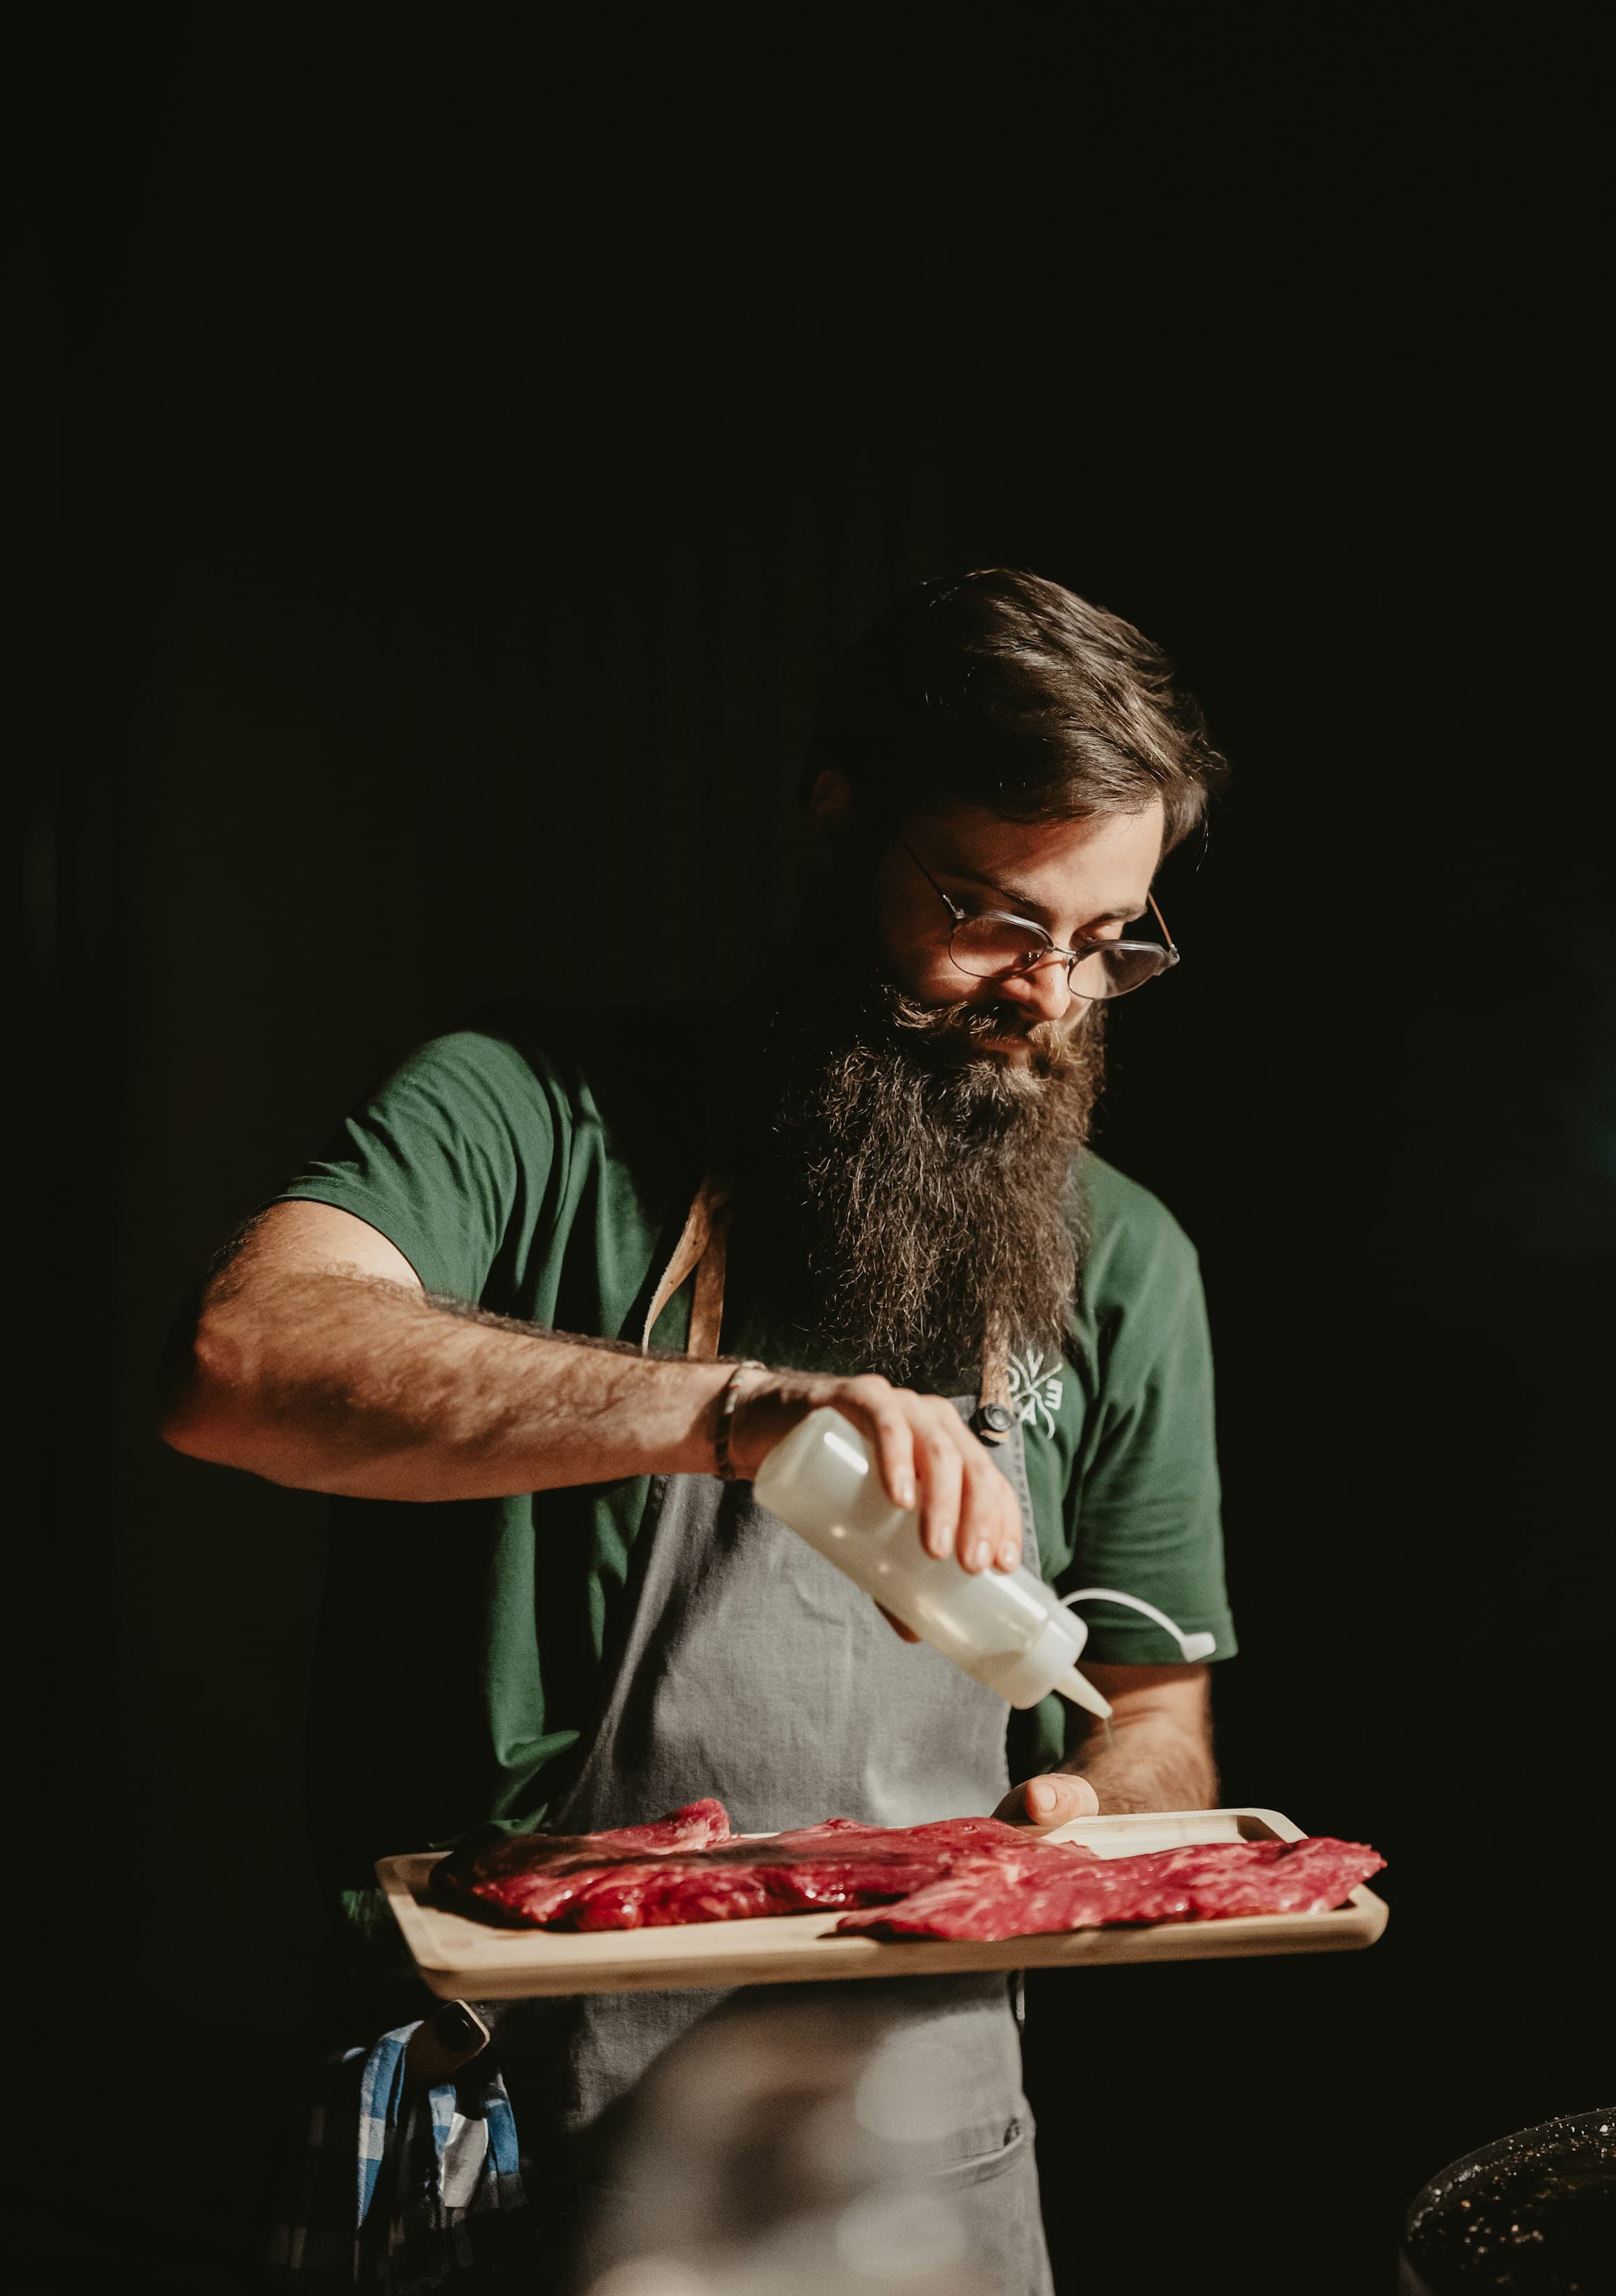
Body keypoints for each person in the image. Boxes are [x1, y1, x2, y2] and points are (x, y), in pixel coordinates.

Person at [162, 567, 1236, 2293]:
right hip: (526, 2108)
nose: (1047, 994)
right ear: (839, 816)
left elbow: (1163, 1709)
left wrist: (1091, 1824)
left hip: (929, 2124)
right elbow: (241, 1356)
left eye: (1109, 942)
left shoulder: (1125, 1259)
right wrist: (733, 1413)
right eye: (991, 915)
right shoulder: (528, 1114)